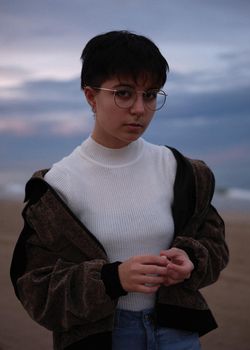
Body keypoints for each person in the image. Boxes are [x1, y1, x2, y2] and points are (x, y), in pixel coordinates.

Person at [10, 30, 229, 350]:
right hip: (102, 338)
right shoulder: (57, 186)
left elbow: (215, 246)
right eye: (124, 93)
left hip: (178, 332)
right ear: (90, 96)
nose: (140, 108)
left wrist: (192, 259)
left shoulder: (182, 172)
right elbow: (36, 290)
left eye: (151, 94)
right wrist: (113, 280)